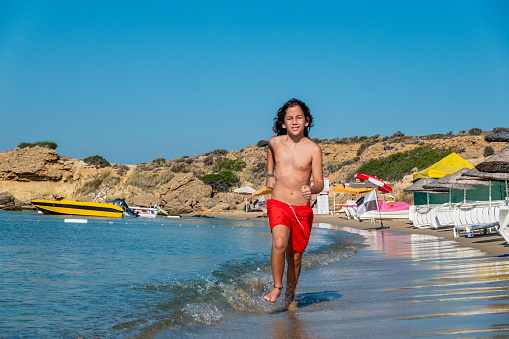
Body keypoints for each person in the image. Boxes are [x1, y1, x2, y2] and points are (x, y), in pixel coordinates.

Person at [263, 98, 324, 307]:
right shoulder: (274, 142)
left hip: (301, 210)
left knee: (295, 258)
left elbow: (320, 183)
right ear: (283, 123)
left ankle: (290, 297)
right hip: (278, 203)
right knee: (279, 242)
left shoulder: (313, 149)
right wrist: (269, 174)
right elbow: (270, 152)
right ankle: (277, 286)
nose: (294, 121)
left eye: (299, 117)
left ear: (307, 121)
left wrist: (312, 189)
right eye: (290, 118)